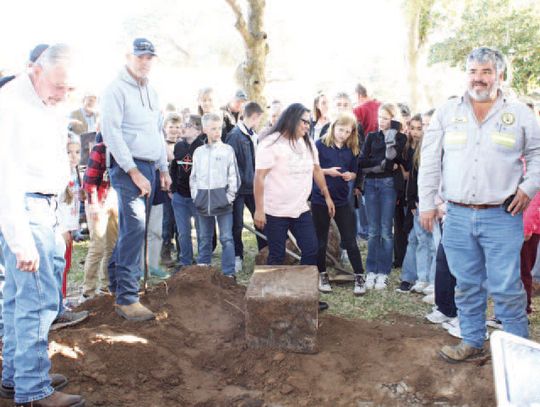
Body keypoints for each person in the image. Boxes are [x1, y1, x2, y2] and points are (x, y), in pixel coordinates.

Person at [418, 47, 540, 363]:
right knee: (466, 285)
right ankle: (472, 341)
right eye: (473, 71)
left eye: (486, 71)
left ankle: (518, 355)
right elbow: (430, 160)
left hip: (501, 216)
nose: (479, 78)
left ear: (499, 74)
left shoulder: (520, 113)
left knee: (507, 289)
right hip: (456, 215)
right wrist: (428, 203)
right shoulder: (447, 112)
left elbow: (538, 155)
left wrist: (528, 187)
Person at [0, 43, 85, 407]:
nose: (64, 95)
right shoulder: (12, 104)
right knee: (36, 301)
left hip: (43, 206)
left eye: (70, 89)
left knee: (21, 298)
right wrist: (21, 240)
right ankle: (33, 390)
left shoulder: (44, 99)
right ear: (35, 69)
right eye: (59, 86)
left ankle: (15, 377)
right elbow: (5, 176)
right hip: (25, 207)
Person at [100, 38, 171, 321]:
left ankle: (117, 284)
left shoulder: (152, 91)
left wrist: (163, 168)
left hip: (152, 165)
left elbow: (158, 132)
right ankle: (128, 298)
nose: (145, 61)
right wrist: (133, 171)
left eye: (150, 57)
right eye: (140, 56)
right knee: (136, 227)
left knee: (135, 229)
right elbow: (112, 133)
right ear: (128, 56)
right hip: (128, 167)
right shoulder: (115, 90)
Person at [254, 103, 335, 267]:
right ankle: (273, 289)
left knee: (311, 249)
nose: (307, 126)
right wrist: (259, 210)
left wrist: (327, 196)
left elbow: (317, 170)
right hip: (275, 211)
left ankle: (301, 286)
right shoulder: (270, 144)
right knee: (277, 254)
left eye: (309, 122)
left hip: (300, 209)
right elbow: (259, 178)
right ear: (291, 119)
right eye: (304, 121)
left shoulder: (308, 144)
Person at [312, 113, 366, 295]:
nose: (343, 134)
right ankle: (322, 274)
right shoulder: (320, 145)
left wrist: (352, 175)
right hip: (320, 199)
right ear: (333, 127)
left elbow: (355, 171)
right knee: (321, 240)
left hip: (343, 200)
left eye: (347, 131)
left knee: (350, 239)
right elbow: (312, 169)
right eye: (340, 129)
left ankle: (359, 276)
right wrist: (328, 172)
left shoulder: (352, 148)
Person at [358, 103, 407, 290]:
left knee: (386, 230)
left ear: (393, 119)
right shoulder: (371, 136)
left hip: (388, 186)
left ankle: (383, 273)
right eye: (380, 117)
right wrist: (382, 165)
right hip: (371, 185)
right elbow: (362, 162)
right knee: (373, 231)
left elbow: (394, 158)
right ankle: (371, 270)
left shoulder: (400, 138)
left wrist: (393, 133)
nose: (381, 121)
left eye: (386, 118)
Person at [191, 113, 239, 277]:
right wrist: (196, 197)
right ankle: (203, 272)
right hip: (203, 202)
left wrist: (228, 197)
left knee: (226, 238)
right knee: (204, 238)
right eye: (213, 129)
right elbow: (194, 177)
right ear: (205, 129)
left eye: (219, 128)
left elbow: (233, 176)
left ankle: (229, 273)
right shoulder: (198, 152)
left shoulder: (227, 150)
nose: (217, 132)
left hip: (223, 203)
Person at [225, 101, 267, 272]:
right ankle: (237, 256)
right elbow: (231, 162)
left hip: (253, 186)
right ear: (254, 116)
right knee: (237, 224)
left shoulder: (253, 134)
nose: (259, 122)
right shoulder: (235, 135)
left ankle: (265, 252)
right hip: (239, 189)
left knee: (261, 220)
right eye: (259, 119)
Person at [397, 115, 436, 293]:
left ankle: (433, 280)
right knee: (420, 240)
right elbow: (414, 178)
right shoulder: (418, 150)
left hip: (436, 203)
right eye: (421, 126)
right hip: (419, 202)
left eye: (424, 126)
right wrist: (411, 200)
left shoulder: (437, 146)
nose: (421, 130)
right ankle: (421, 277)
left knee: (434, 243)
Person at [80, 135, 118, 303]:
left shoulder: (123, 146)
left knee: (112, 245)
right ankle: (88, 291)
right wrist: (94, 204)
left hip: (114, 197)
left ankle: (106, 285)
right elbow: (88, 181)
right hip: (98, 198)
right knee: (98, 245)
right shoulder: (100, 149)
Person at [170, 115, 205, 270]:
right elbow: (174, 168)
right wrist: (173, 189)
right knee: (183, 232)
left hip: (197, 197)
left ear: (198, 130)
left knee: (202, 231)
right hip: (179, 196)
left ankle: (203, 262)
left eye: (188, 125)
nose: (183, 127)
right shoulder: (178, 146)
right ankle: (186, 262)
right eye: (184, 124)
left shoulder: (203, 147)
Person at [58, 133, 83, 299]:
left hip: (71, 226)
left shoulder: (76, 173)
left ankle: (62, 299)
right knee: (59, 266)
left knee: (66, 266)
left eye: (77, 152)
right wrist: (63, 228)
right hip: (61, 228)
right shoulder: (60, 175)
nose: (73, 156)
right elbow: (57, 205)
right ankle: (59, 301)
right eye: (69, 152)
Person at [161, 112, 183, 266]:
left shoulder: (182, 145)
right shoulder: (162, 145)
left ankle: (183, 252)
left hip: (181, 190)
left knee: (181, 223)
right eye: (171, 127)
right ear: (165, 128)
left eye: (177, 127)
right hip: (166, 189)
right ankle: (166, 251)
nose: (174, 130)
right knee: (168, 221)